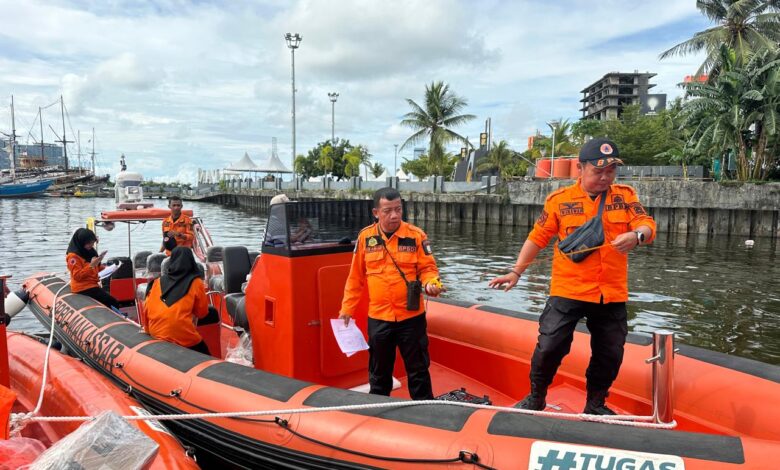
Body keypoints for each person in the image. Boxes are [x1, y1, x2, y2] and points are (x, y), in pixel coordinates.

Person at [488, 138, 656, 415]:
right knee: (550, 345)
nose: (605, 177)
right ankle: (536, 397)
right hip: (568, 289)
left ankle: (595, 404)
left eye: (611, 171)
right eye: (598, 171)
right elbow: (537, 238)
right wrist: (516, 272)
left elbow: (646, 224)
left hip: (610, 292)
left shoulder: (624, 196)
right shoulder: (560, 201)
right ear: (580, 168)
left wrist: (637, 236)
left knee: (610, 351)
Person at [339, 187, 444, 400]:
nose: (394, 215)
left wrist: (432, 284)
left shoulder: (416, 236)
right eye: (388, 211)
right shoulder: (366, 238)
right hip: (379, 318)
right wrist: (347, 308)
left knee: (418, 370)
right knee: (379, 373)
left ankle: (425, 410)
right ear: (376, 212)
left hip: (411, 317)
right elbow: (355, 277)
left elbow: (428, 269)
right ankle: (378, 409)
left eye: (398, 209)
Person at [144, 247, 210, 354]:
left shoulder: (157, 282)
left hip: (155, 331)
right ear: (191, 261)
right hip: (181, 335)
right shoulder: (196, 282)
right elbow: (202, 313)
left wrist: (147, 330)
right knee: (206, 355)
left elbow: (146, 308)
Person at [65, 228, 121, 310]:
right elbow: (77, 276)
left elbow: (96, 268)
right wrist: (91, 265)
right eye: (89, 243)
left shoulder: (90, 251)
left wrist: (108, 268)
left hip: (92, 285)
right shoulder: (73, 256)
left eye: (92, 243)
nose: (91, 245)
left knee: (111, 301)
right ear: (82, 242)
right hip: (82, 288)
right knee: (113, 302)